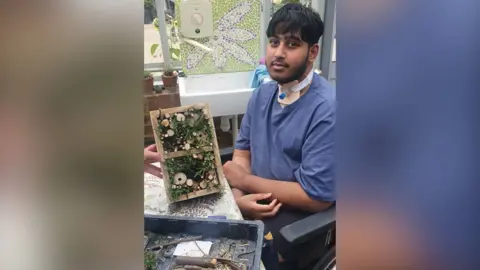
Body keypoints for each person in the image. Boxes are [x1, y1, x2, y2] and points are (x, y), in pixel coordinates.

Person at [222, 3, 335, 268]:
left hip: (298, 218)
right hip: (254, 201)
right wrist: (239, 198)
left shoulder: (327, 110)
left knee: (240, 257)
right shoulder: (262, 95)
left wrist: (245, 182)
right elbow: (242, 153)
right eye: (274, 42)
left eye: (292, 44)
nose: (278, 53)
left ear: (312, 52)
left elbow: (317, 199)